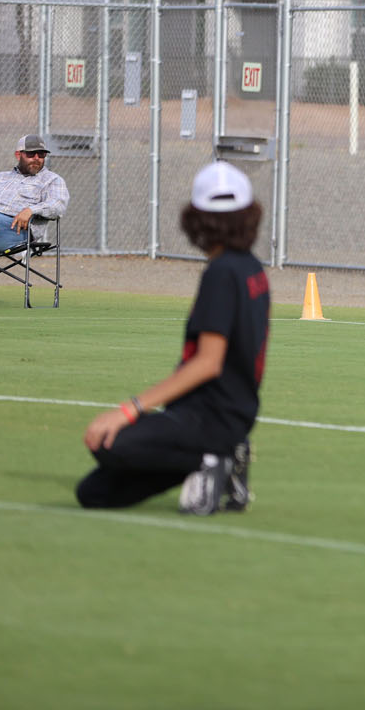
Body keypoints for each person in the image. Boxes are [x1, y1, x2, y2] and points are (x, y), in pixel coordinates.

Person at [75, 161, 270, 516]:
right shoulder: (251, 268)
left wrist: (129, 410)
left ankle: (213, 458)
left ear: (197, 218)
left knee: (109, 443)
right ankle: (219, 458)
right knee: (94, 493)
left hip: (209, 417)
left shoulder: (221, 273)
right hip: (232, 413)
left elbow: (208, 363)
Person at [0, 135, 70, 257]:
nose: (36, 158)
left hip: (15, 228)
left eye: (41, 154)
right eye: (31, 154)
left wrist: (30, 210)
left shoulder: (52, 180)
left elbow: (58, 206)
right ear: (18, 155)